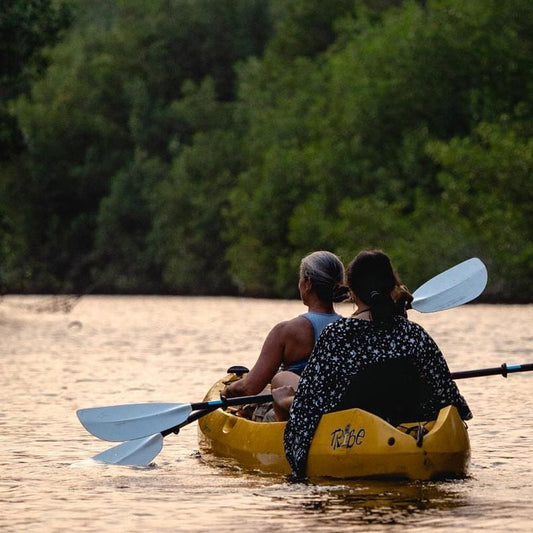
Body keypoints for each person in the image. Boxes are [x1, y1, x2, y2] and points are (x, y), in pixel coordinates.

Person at [283, 249, 472, 479]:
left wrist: (296, 470)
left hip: (357, 442)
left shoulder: (336, 336)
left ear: (351, 291)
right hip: (415, 440)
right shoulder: (413, 334)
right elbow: (451, 401)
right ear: (392, 286)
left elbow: (306, 409)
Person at [221, 251, 349, 420]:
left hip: (294, 415)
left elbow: (248, 388)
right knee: (270, 389)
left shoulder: (286, 331)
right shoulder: (349, 328)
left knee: (247, 405)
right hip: (334, 410)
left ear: (307, 282)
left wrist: (226, 392)